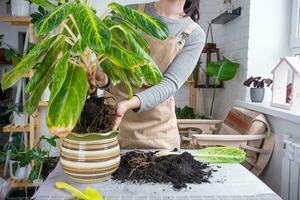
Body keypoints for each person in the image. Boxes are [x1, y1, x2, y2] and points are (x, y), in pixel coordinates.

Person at [95, 0, 205, 149]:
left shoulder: (193, 33)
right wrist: (104, 80)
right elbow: (114, 66)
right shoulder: (129, 12)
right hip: (113, 122)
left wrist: (128, 104)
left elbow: (170, 84)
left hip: (158, 132)